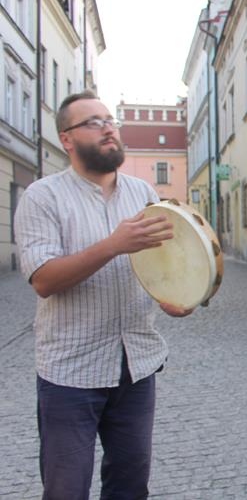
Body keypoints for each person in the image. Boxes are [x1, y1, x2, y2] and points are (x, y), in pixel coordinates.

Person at [14, 90, 192, 499]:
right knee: (66, 490)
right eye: (93, 123)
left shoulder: (143, 194)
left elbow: (163, 265)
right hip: (70, 372)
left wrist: (175, 297)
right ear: (66, 138)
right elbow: (43, 279)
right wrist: (113, 245)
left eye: (110, 120)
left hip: (136, 366)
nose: (108, 129)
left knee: (130, 486)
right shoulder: (42, 196)